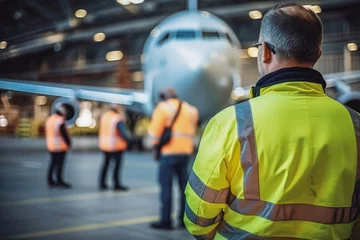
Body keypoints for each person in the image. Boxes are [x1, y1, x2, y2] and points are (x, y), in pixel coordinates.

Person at [184, 3, 360, 240]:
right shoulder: (355, 124)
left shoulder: (231, 123)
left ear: (265, 51)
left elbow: (199, 219)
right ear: (318, 54)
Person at [148, 87, 199, 230]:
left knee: (166, 187)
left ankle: (166, 221)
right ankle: (183, 220)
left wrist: (154, 148)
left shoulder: (163, 108)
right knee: (184, 188)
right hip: (186, 153)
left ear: (164, 96)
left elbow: (154, 132)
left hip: (169, 153)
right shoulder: (191, 110)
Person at [99, 104, 130, 191]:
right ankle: (116, 184)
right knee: (117, 166)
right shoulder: (117, 118)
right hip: (116, 146)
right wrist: (129, 141)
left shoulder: (104, 116)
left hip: (105, 145)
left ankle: (102, 183)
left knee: (105, 165)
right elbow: (123, 133)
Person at [46, 105, 72, 188]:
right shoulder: (60, 121)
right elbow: (64, 134)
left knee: (52, 164)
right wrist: (69, 143)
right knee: (60, 165)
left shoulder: (50, 119)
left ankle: (50, 180)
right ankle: (59, 180)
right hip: (60, 146)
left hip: (51, 145)